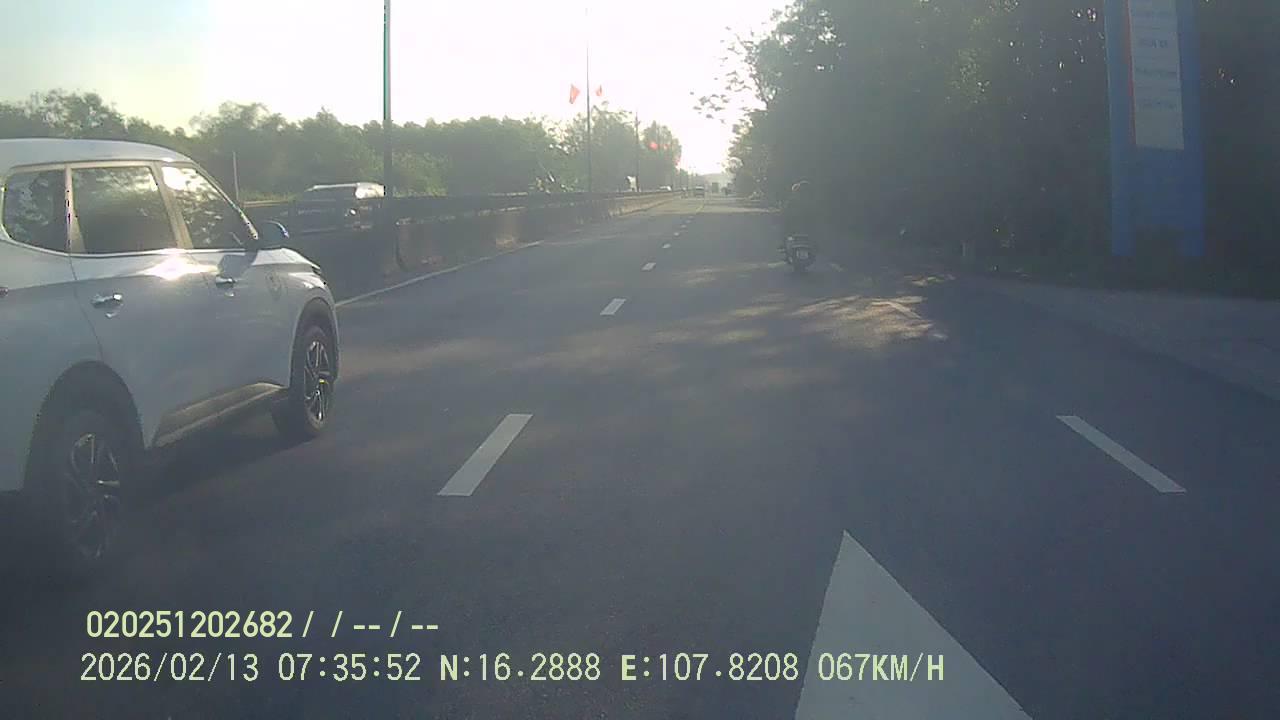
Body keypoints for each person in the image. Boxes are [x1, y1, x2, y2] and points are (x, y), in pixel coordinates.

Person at [780, 180, 817, 252]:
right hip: (799, 231)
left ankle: (785, 245)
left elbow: (784, 216)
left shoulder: (791, 202)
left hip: (800, 231)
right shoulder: (812, 203)